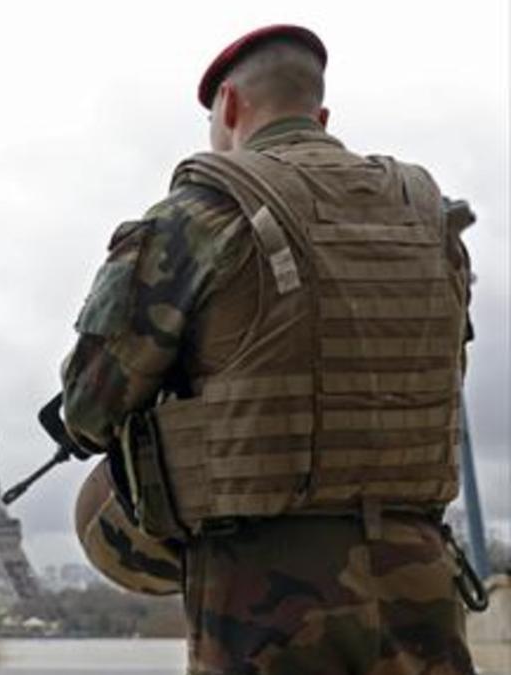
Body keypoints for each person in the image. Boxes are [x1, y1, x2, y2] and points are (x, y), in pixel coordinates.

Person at [62, 25, 476, 674]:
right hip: (419, 576)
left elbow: (88, 406)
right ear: (322, 114)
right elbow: (447, 378)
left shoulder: (197, 214)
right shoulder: (429, 219)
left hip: (265, 593)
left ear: (228, 107)